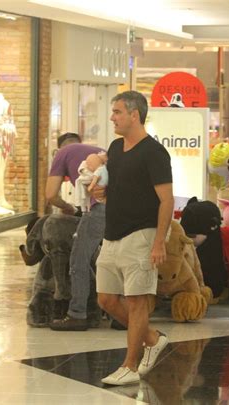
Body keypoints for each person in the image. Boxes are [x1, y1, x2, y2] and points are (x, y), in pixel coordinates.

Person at [93, 91, 174, 386]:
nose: (112, 117)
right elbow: (115, 187)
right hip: (112, 234)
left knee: (138, 302)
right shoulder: (115, 148)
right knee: (106, 299)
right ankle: (152, 339)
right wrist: (101, 192)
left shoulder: (154, 152)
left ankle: (130, 364)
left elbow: (167, 201)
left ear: (134, 115)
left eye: (117, 112)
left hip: (141, 235)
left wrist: (159, 242)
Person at [45, 132, 106, 331]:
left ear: (59, 148)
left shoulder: (62, 154)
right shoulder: (96, 151)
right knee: (112, 260)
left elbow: (51, 195)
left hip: (100, 208)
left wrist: (68, 208)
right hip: (121, 208)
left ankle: (77, 314)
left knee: (78, 259)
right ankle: (120, 315)